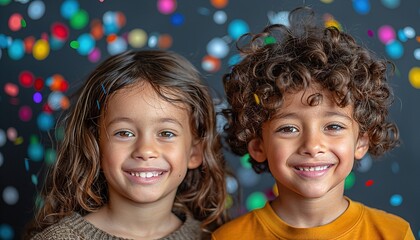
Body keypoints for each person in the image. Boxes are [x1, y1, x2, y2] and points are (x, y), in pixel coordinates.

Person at [212, 6, 415, 240]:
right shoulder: (229, 238)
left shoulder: (394, 234)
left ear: (360, 141)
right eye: (288, 129)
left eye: (333, 127)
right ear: (258, 146)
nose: (312, 145)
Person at [23, 50, 228, 240]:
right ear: (94, 145)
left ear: (195, 152)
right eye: (124, 133)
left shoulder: (215, 237)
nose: (145, 151)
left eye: (166, 133)